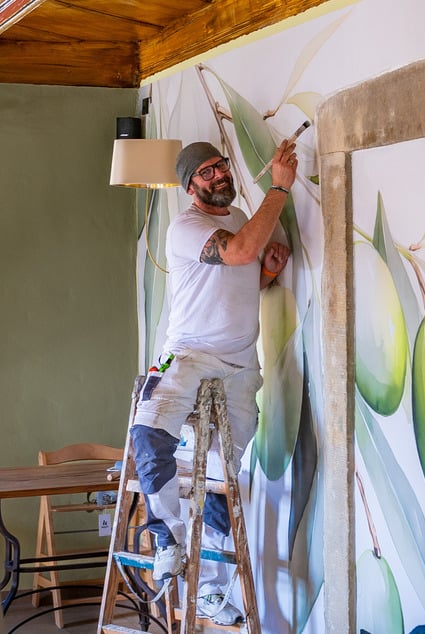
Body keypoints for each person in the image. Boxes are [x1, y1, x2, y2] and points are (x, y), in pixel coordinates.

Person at [129, 138, 298, 626]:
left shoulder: (242, 215)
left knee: (223, 477)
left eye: (221, 166)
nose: (219, 175)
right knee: (149, 429)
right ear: (190, 187)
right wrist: (281, 188)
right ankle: (166, 535)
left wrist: (266, 274)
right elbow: (241, 251)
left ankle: (210, 592)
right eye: (206, 172)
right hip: (186, 355)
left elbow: (239, 273)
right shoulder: (187, 228)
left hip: (240, 365)